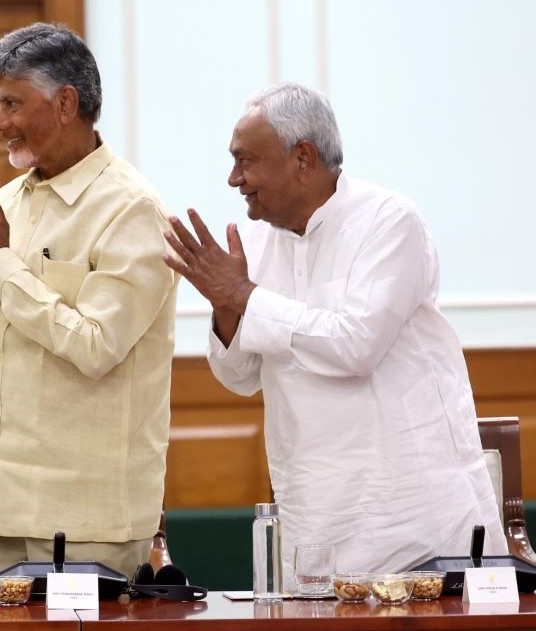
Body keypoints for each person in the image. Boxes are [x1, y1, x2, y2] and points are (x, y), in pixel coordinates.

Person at [162, 82, 505, 583]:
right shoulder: (254, 241)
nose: (234, 178)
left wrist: (244, 296)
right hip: (317, 518)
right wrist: (225, 303)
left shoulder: (389, 221)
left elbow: (355, 346)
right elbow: (240, 376)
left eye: (245, 161)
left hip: (416, 517)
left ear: (302, 158)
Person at [0, 22, 179, 578]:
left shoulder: (132, 210)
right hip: (0, 508)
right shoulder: (7, 201)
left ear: (66, 103)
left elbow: (96, 348)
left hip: (89, 520)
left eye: (11, 103)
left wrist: (0, 264)